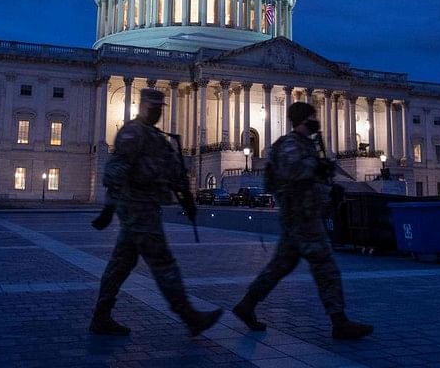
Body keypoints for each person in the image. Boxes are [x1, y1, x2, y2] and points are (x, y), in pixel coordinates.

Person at [232, 101, 374, 340]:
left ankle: (247, 305)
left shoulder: (307, 144)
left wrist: (330, 190)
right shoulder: (289, 145)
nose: (316, 120)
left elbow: (311, 183)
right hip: (302, 218)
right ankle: (339, 321)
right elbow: (293, 174)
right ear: (303, 120)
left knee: (278, 268)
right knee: (326, 267)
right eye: (312, 117)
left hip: (301, 217)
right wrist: (316, 166)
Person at [90, 88, 223, 336]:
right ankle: (189, 315)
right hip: (137, 207)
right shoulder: (133, 132)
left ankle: (101, 316)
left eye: (160, 109)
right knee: (162, 262)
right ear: (144, 107)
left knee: (121, 263)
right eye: (154, 108)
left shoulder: (157, 138)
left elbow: (174, 173)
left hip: (145, 207)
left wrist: (187, 200)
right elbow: (115, 170)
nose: (158, 113)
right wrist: (109, 208)